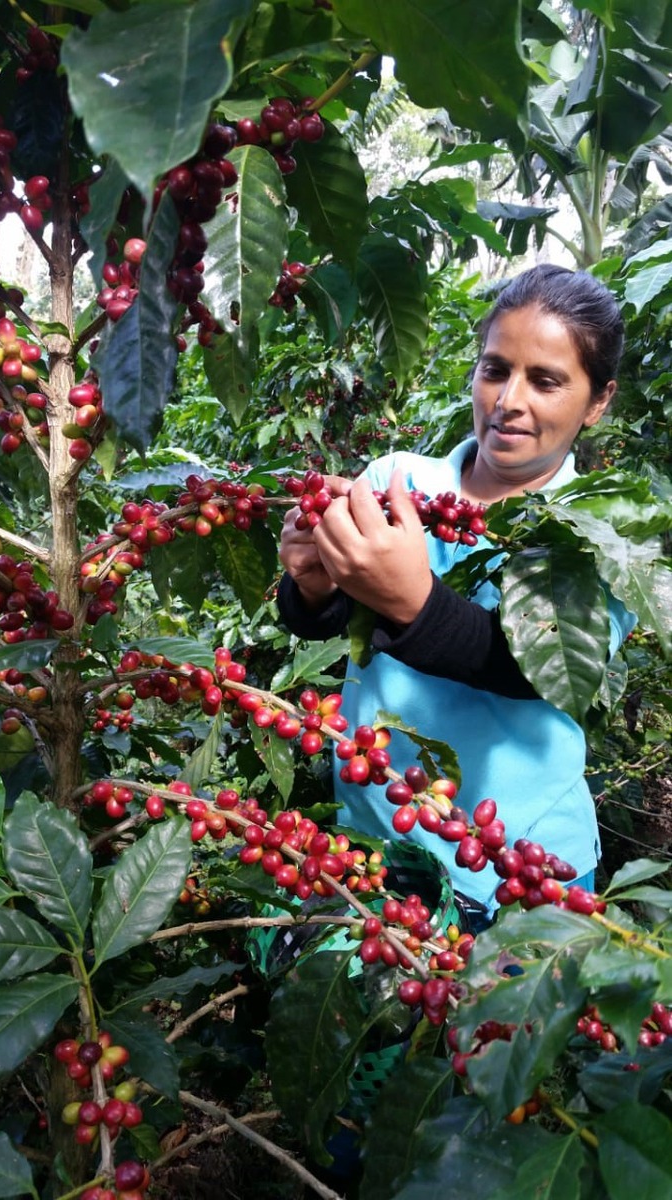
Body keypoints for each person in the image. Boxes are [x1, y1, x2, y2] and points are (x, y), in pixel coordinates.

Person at [276, 264, 637, 922]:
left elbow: (541, 673)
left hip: (517, 868)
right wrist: (311, 584)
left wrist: (412, 604)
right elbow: (328, 622)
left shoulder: (605, 534)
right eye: (495, 369)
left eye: (545, 380)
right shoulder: (396, 481)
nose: (508, 401)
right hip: (374, 846)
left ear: (596, 401)